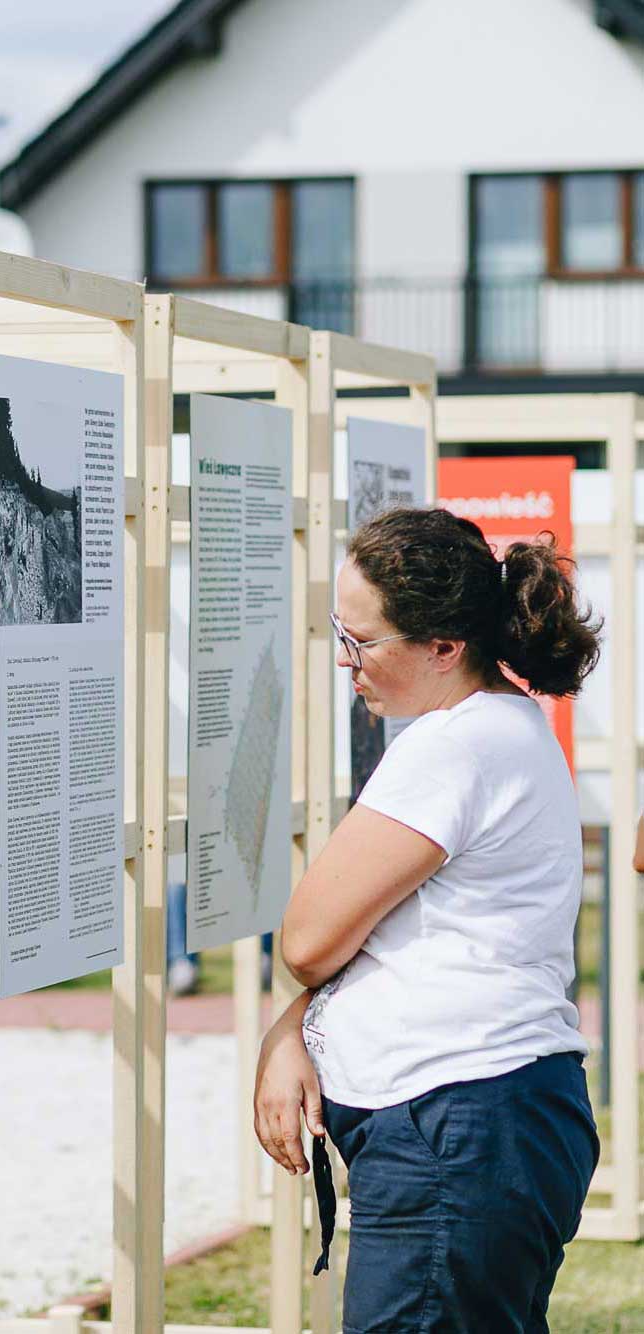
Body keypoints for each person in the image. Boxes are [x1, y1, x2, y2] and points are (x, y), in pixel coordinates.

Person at [255, 507, 601, 1333]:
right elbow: (407, 935)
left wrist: (293, 1017)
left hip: (457, 1129)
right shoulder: (502, 728)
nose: (347, 662)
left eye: (361, 641)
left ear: (445, 646)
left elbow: (307, 941)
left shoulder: (453, 747)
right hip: (483, 1121)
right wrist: (294, 1029)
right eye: (340, 633)